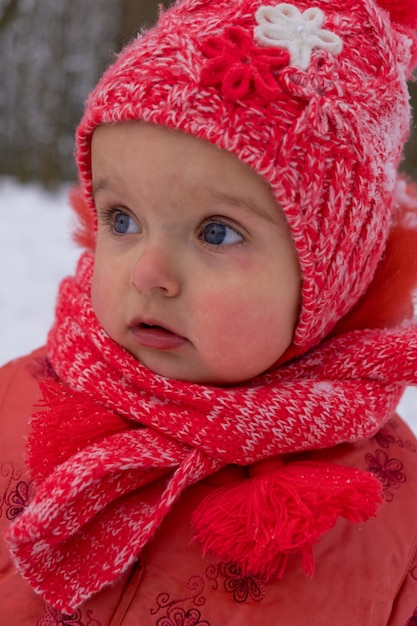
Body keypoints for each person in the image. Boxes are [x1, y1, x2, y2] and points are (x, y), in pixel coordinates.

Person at [2, 0, 417, 623]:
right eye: (123, 220)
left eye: (216, 233)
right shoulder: (19, 404)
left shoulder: (392, 507)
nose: (147, 273)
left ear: (333, 271)